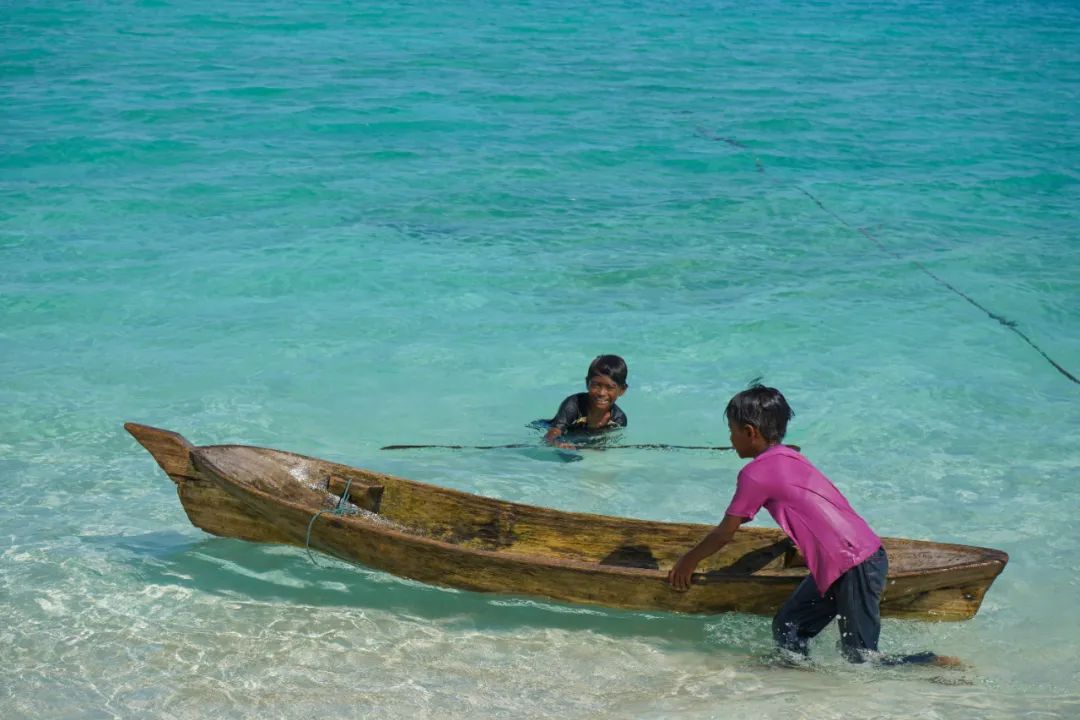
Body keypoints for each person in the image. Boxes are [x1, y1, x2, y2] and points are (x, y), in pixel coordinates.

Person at [667, 384, 959, 667]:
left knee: (862, 659)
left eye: (731, 432)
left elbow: (724, 532)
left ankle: (932, 663)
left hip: (854, 562)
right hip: (848, 558)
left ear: (749, 432)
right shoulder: (792, 455)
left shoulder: (754, 474)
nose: (730, 439)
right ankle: (801, 679)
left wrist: (687, 562)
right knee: (788, 626)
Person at [543, 354, 628, 449]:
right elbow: (553, 432)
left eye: (610, 387)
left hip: (581, 438)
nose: (602, 393)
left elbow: (601, 442)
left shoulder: (618, 419)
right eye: (596, 385)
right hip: (548, 428)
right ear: (587, 383)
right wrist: (557, 442)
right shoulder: (573, 405)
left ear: (622, 390)